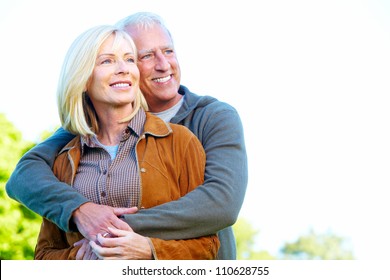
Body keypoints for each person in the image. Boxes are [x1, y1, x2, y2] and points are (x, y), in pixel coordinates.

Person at [6, 12, 247, 260]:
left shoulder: (209, 119)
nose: (163, 64)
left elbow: (221, 203)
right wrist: (80, 211)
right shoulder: (83, 134)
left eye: (168, 51)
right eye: (146, 56)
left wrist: (109, 230)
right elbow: (24, 176)